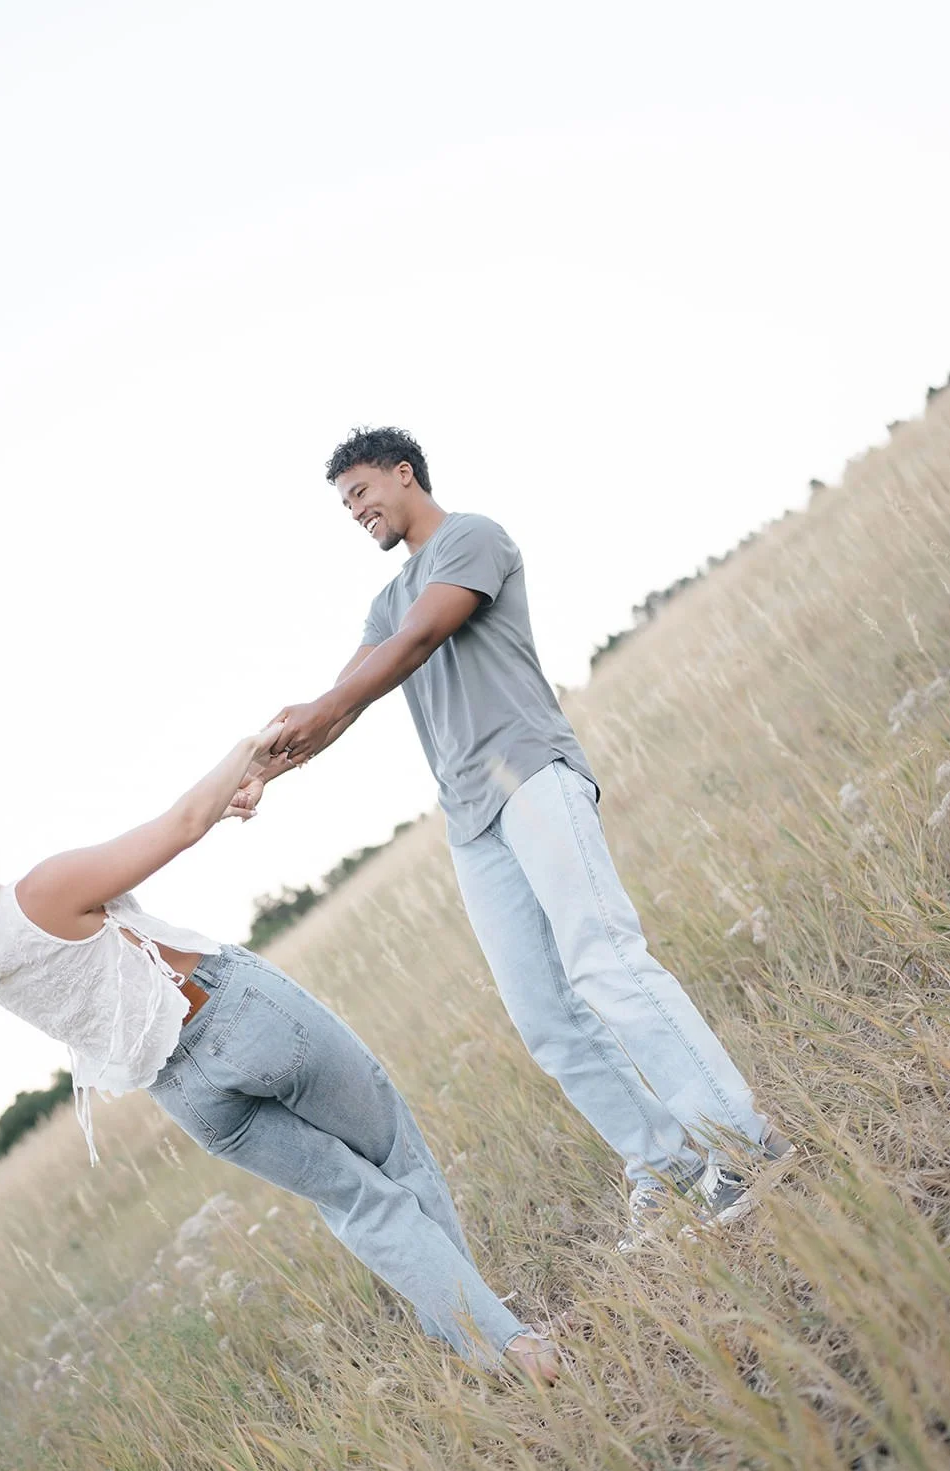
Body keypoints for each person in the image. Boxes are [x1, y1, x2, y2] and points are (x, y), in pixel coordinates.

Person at [0, 725, 558, 1379]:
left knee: (358, 1203)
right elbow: (179, 826)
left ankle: (493, 1345)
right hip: (240, 1016)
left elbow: (168, 843)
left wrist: (222, 795)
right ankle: (512, 1344)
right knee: (396, 1155)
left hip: (188, 1095)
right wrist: (249, 746)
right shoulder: (41, 891)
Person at [262, 426, 793, 1251]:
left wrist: (322, 711)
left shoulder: (471, 537)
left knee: (605, 963)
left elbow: (420, 640)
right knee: (544, 1017)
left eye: (362, 491)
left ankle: (740, 1143)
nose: (355, 510)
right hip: (470, 819)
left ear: (405, 475)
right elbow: (349, 694)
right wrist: (273, 759)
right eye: (344, 505)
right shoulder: (382, 600)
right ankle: (666, 1166)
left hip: (529, 773)